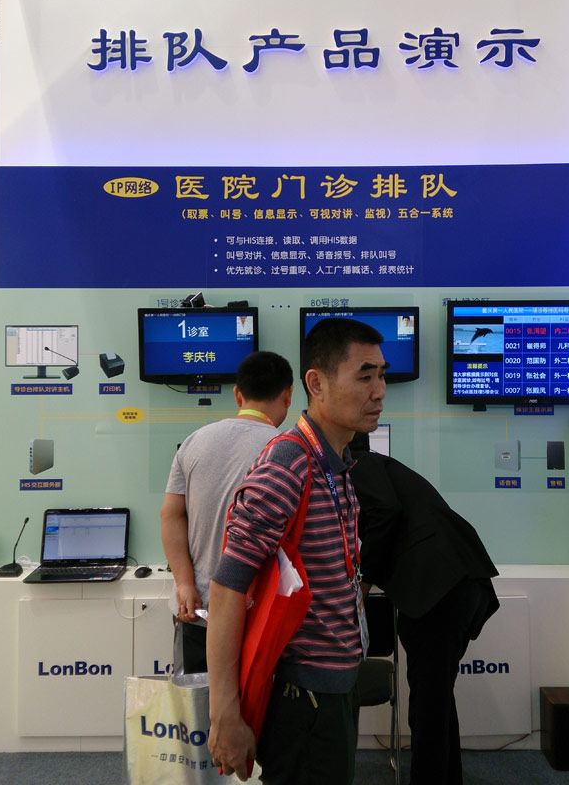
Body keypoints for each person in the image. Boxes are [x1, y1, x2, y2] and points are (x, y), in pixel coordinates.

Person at [207, 317, 388, 785]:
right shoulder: (289, 463)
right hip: (303, 699)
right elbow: (226, 588)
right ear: (316, 384)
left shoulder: (338, 462)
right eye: (364, 376)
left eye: (381, 375)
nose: (379, 391)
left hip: (336, 684)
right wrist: (224, 713)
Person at [349, 433, 500, 785]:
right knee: (436, 703)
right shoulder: (384, 467)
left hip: (439, 592)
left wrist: (364, 581)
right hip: (456, 587)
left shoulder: (358, 465)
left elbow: (386, 512)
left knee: (428, 710)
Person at [159, 350, 293, 675]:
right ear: (288, 396)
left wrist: (184, 584)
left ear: (237, 394)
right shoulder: (288, 449)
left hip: (197, 610)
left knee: (199, 704)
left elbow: (171, 515)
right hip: (261, 618)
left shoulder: (194, 441)